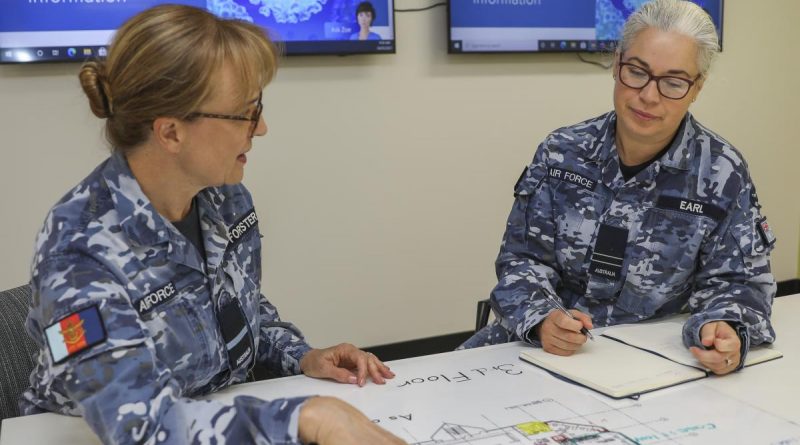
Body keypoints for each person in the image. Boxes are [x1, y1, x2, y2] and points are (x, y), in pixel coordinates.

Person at [20, 5, 405, 444]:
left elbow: (237, 309)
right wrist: (306, 419)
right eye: (245, 112)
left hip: (214, 417)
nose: (261, 128)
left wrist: (302, 356)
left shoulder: (223, 196)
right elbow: (136, 426)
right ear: (170, 133)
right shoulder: (77, 251)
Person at [461, 0, 776, 376]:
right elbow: (522, 259)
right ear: (616, 64)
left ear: (697, 88)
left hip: (654, 362)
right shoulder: (562, 152)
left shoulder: (723, 173)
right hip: (544, 351)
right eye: (637, 72)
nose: (649, 96)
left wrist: (723, 329)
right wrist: (541, 318)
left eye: (673, 82)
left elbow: (740, 284)